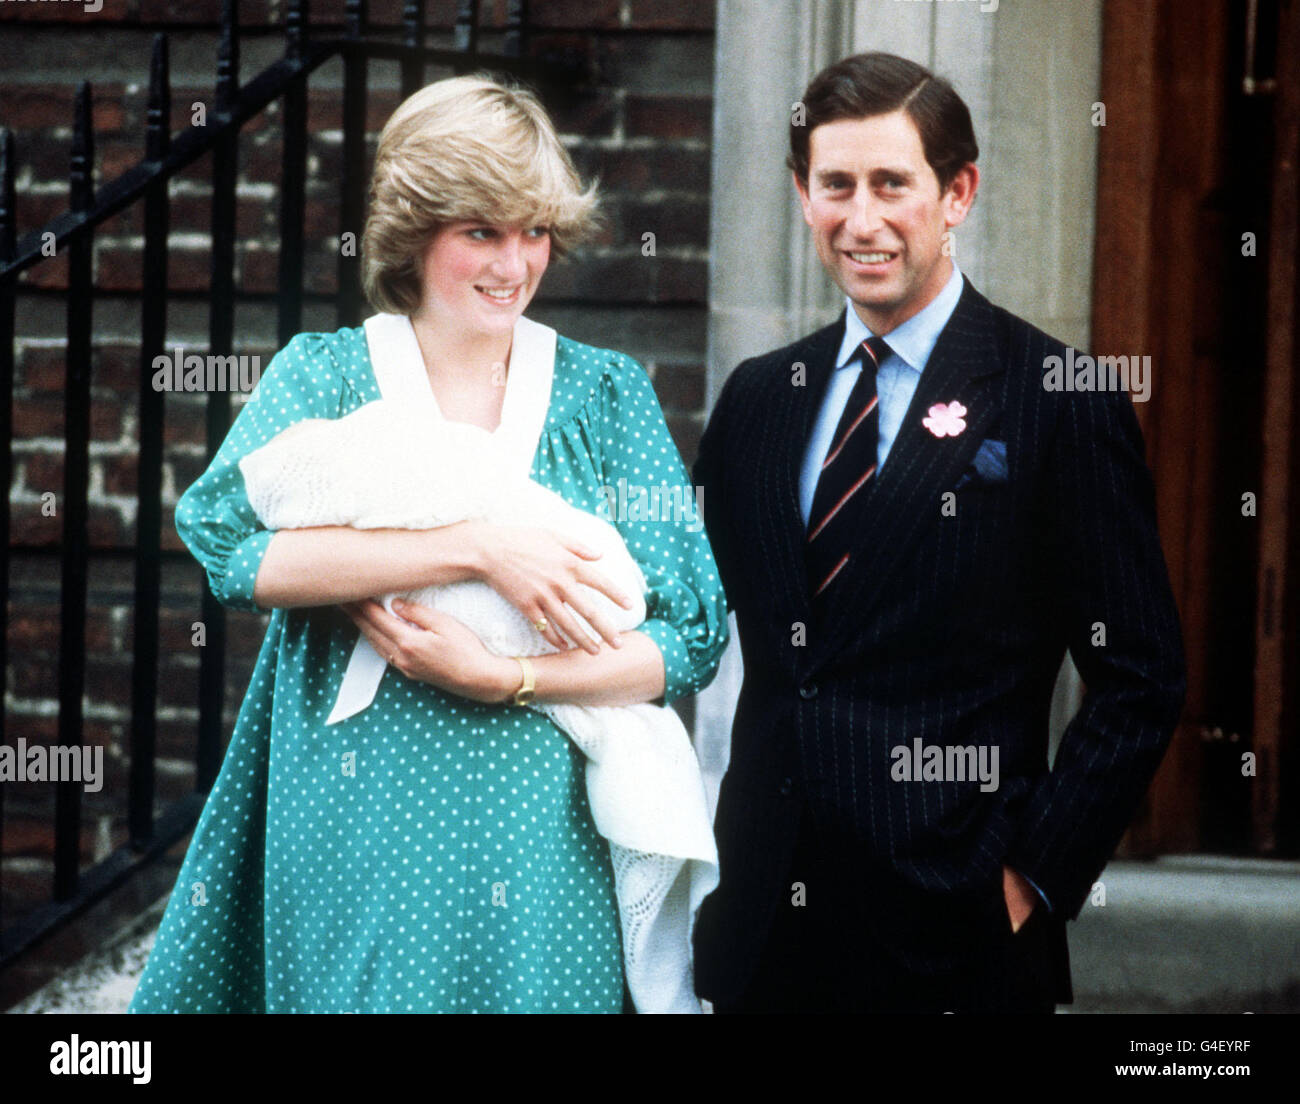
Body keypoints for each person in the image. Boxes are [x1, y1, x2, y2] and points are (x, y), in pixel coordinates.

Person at [129, 74, 728, 1014]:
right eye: (480, 230)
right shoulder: (327, 376)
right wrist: (479, 548)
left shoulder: (603, 395)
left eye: (534, 230)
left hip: (545, 840)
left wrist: (508, 679)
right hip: (359, 822)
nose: (514, 262)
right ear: (416, 231)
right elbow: (232, 550)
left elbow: (689, 635)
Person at [691, 52, 1186, 1014]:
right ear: (801, 194)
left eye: (892, 184)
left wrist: (1029, 879)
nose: (861, 219)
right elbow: (701, 628)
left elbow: (1142, 675)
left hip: (956, 947)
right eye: (835, 184)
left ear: (958, 192)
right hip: (765, 938)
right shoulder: (758, 400)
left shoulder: (1056, 398)